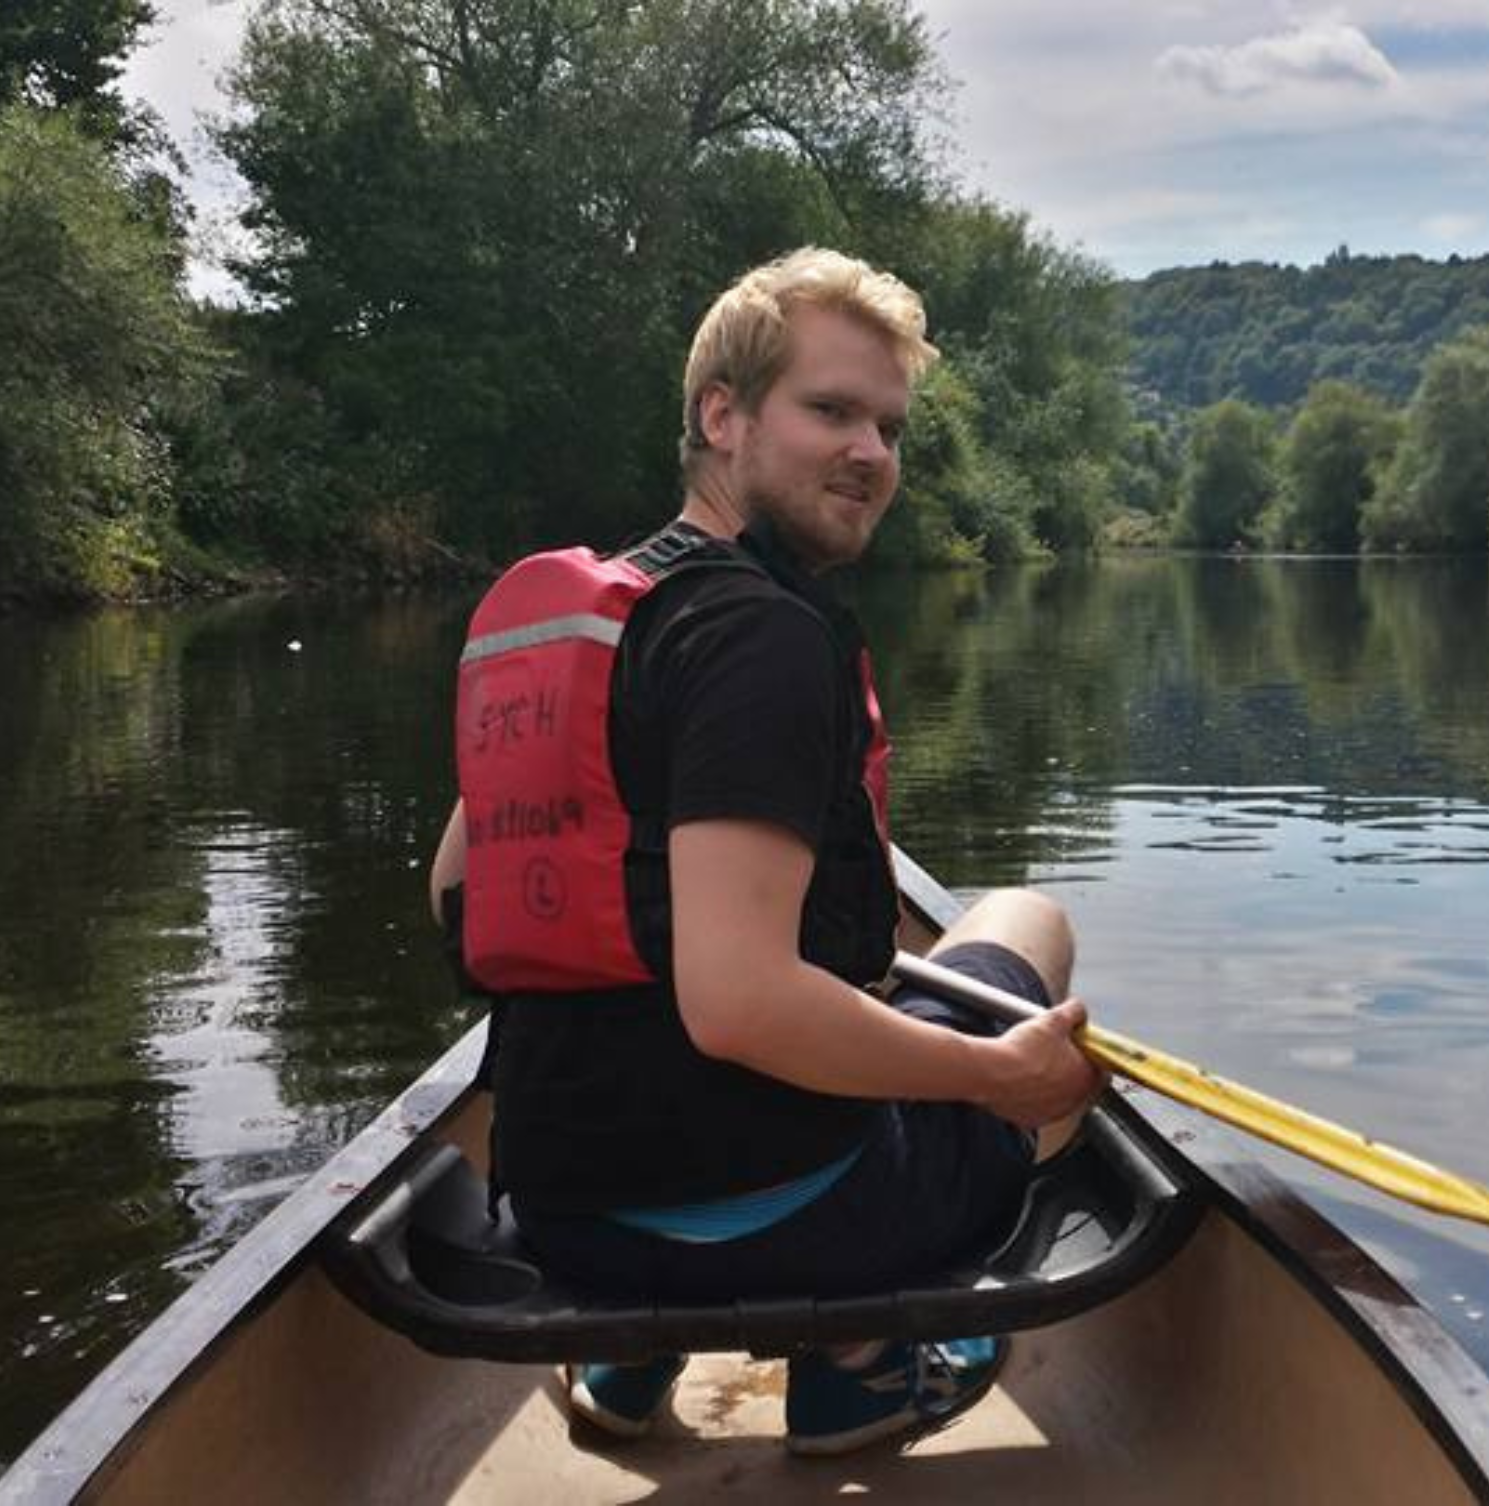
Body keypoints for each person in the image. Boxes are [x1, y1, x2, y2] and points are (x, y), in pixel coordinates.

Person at [419, 247, 1107, 1458]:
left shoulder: (600, 619)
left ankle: (628, 1356)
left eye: (889, 428)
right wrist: (1002, 1080)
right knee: (1030, 927)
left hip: (564, 1219)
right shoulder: (766, 643)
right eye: (831, 411)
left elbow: (452, 895)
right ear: (720, 415)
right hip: (797, 1218)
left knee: (829, 1006)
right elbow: (737, 1005)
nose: (872, 455)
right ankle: (861, 1365)